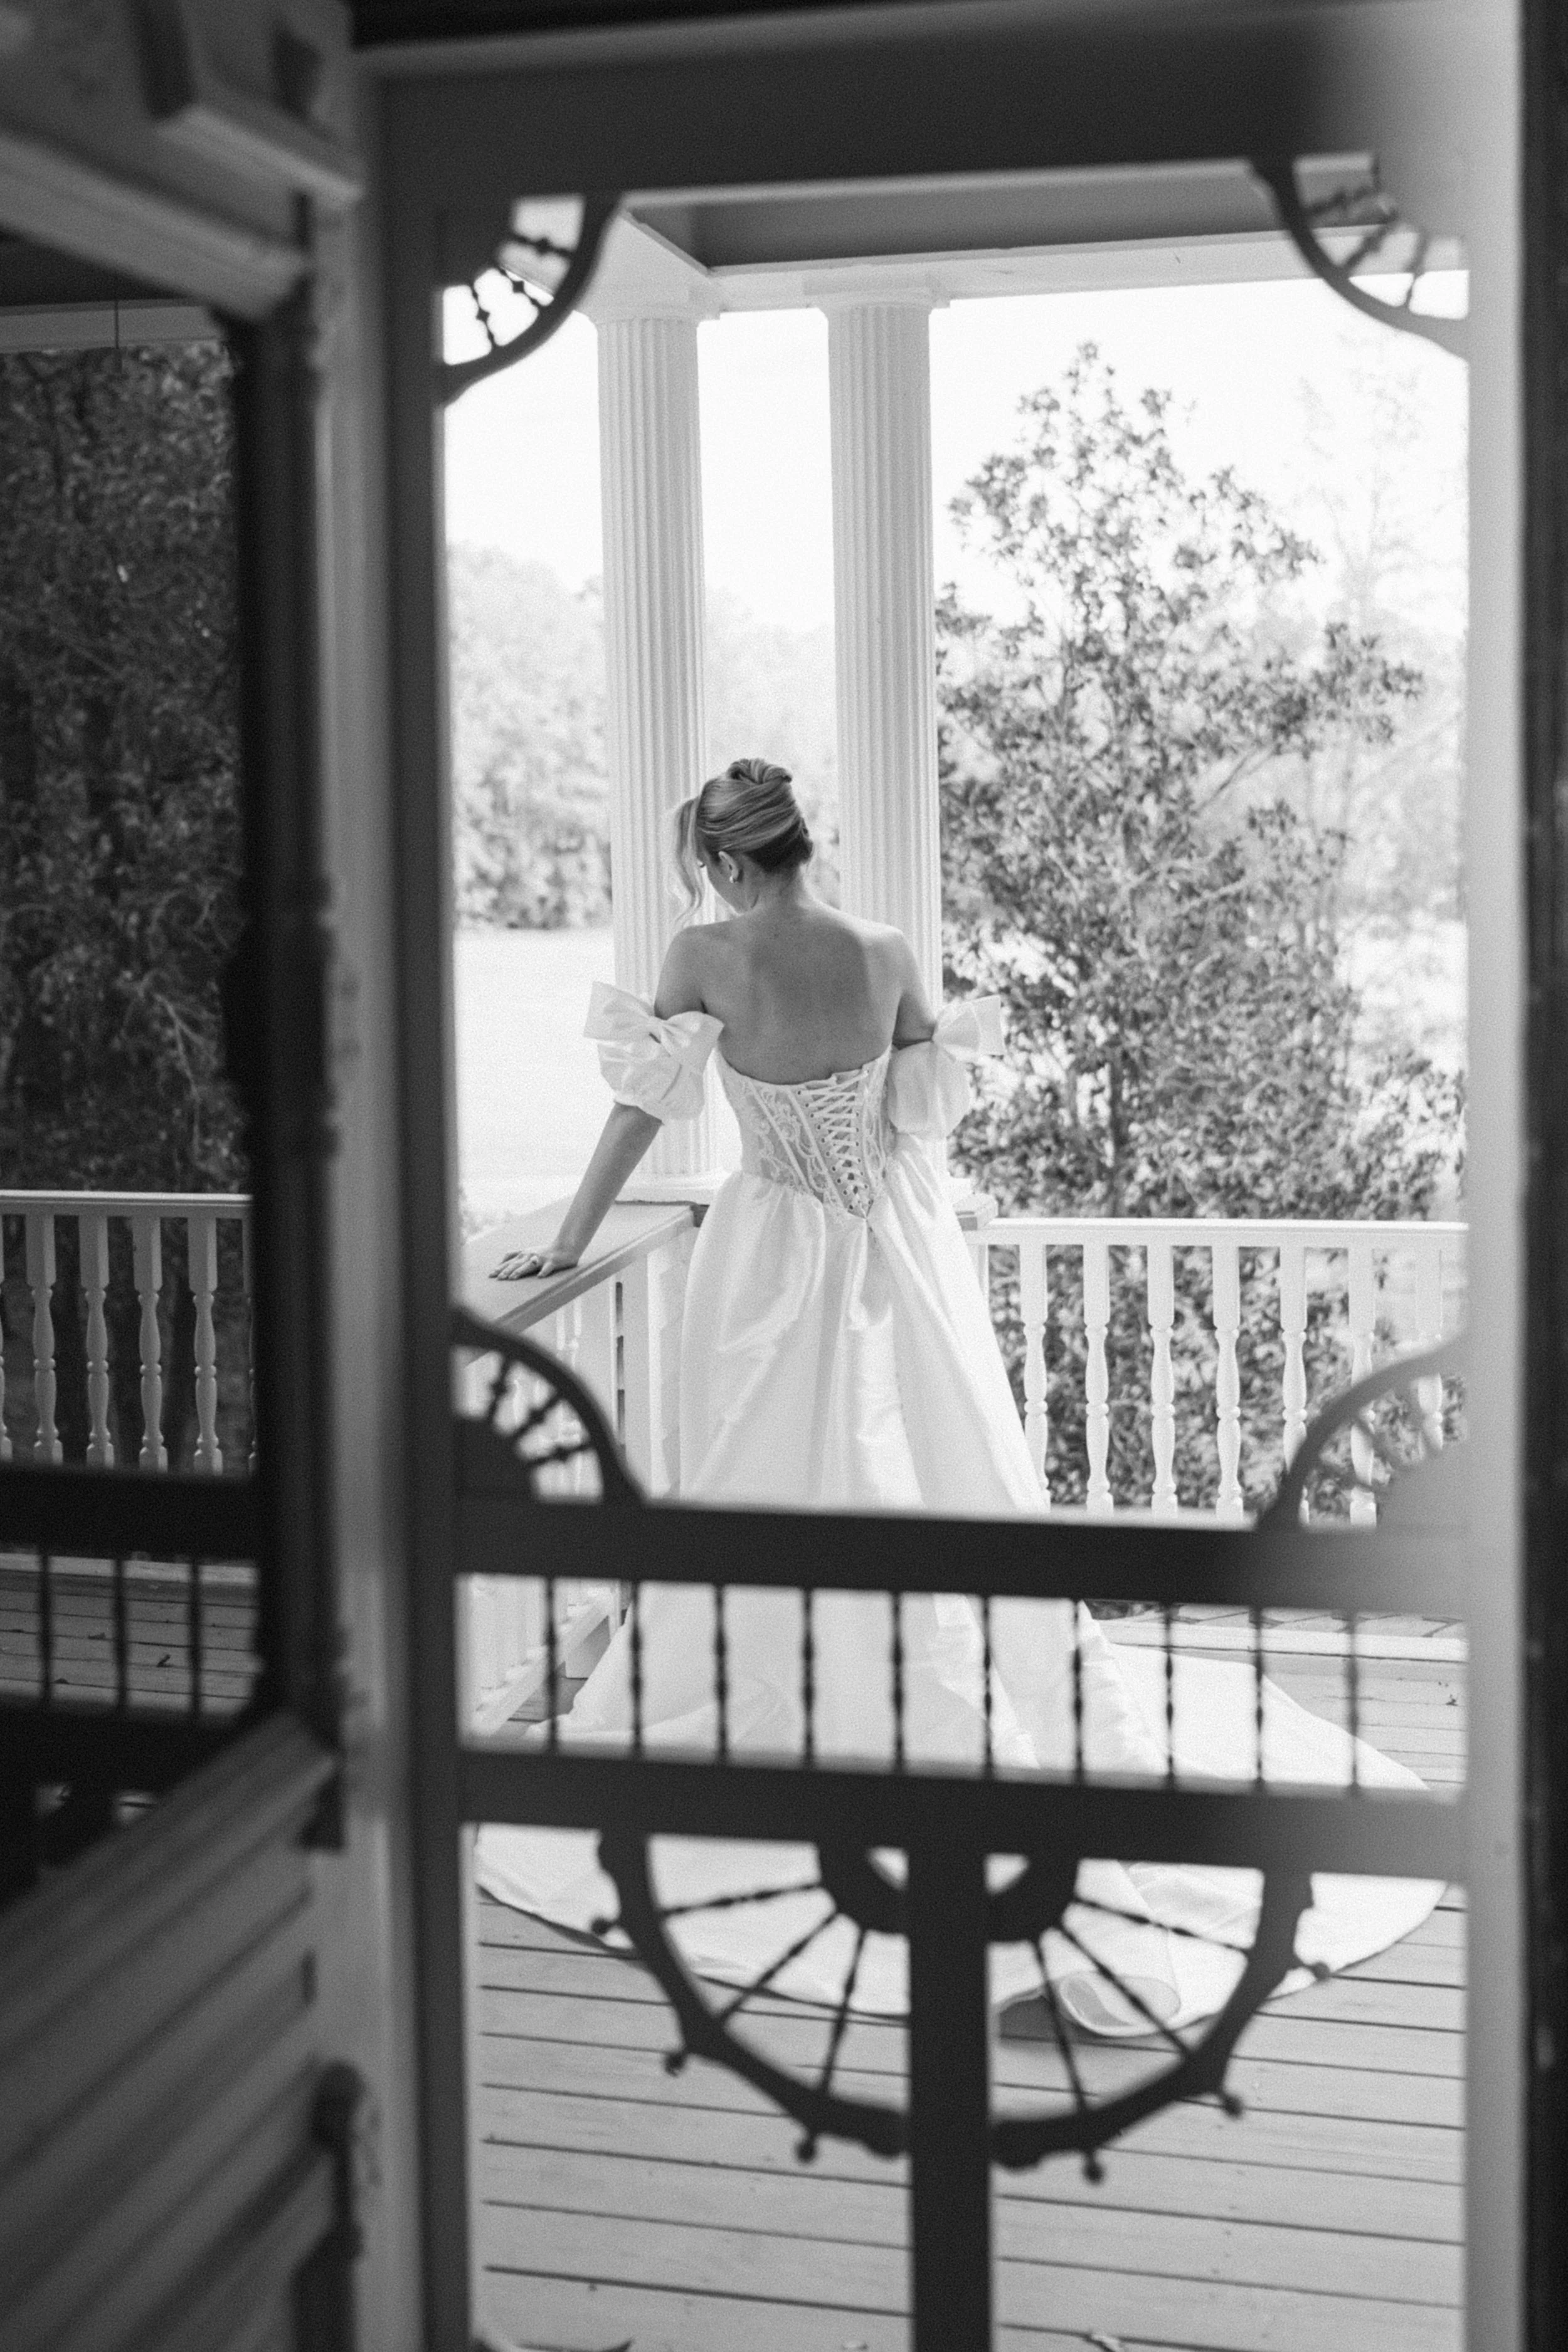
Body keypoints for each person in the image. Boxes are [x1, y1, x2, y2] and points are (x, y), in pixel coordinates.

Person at [476, 756, 1438, 2034]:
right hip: (898, 1245)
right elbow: (920, 1120)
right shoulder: (884, 950)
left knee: (760, 1478)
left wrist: (568, 1235)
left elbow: (639, 1112)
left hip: (769, 1254)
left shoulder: (704, 954)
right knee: (935, 1464)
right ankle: (933, 1690)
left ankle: (783, 1692)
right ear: (803, 843)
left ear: (721, 859)